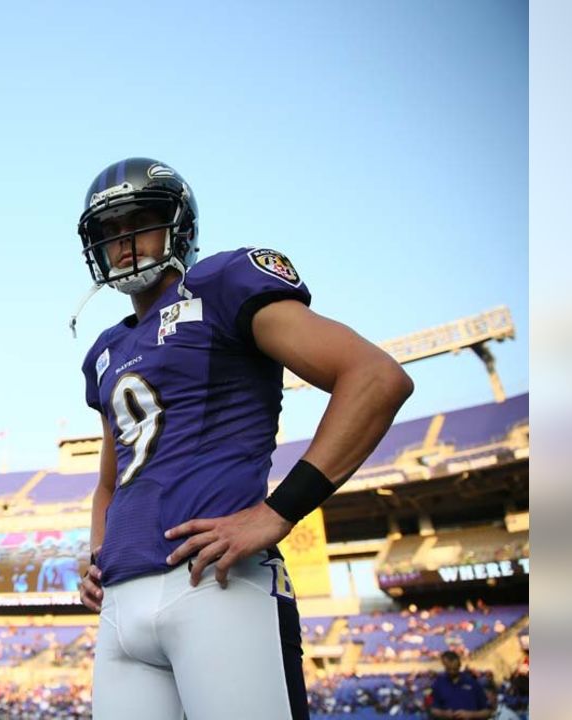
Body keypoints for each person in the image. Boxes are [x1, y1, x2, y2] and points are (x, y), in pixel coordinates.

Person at [72, 157, 413, 719]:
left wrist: (277, 512)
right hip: (120, 612)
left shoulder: (222, 284)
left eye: (140, 221)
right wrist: (97, 553)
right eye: (108, 233)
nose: (124, 242)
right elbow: (109, 481)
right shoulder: (104, 351)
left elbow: (375, 377)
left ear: (179, 224)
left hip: (216, 587)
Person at [430, 650, 495, 719]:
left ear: (459, 665)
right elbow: (433, 710)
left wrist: (471, 715)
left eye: (455, 669)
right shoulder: (439, 683)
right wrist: (444, 714)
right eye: (449, 669)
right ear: (444, 666)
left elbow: (487, 712)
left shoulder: (472, 683)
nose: (452, 671)